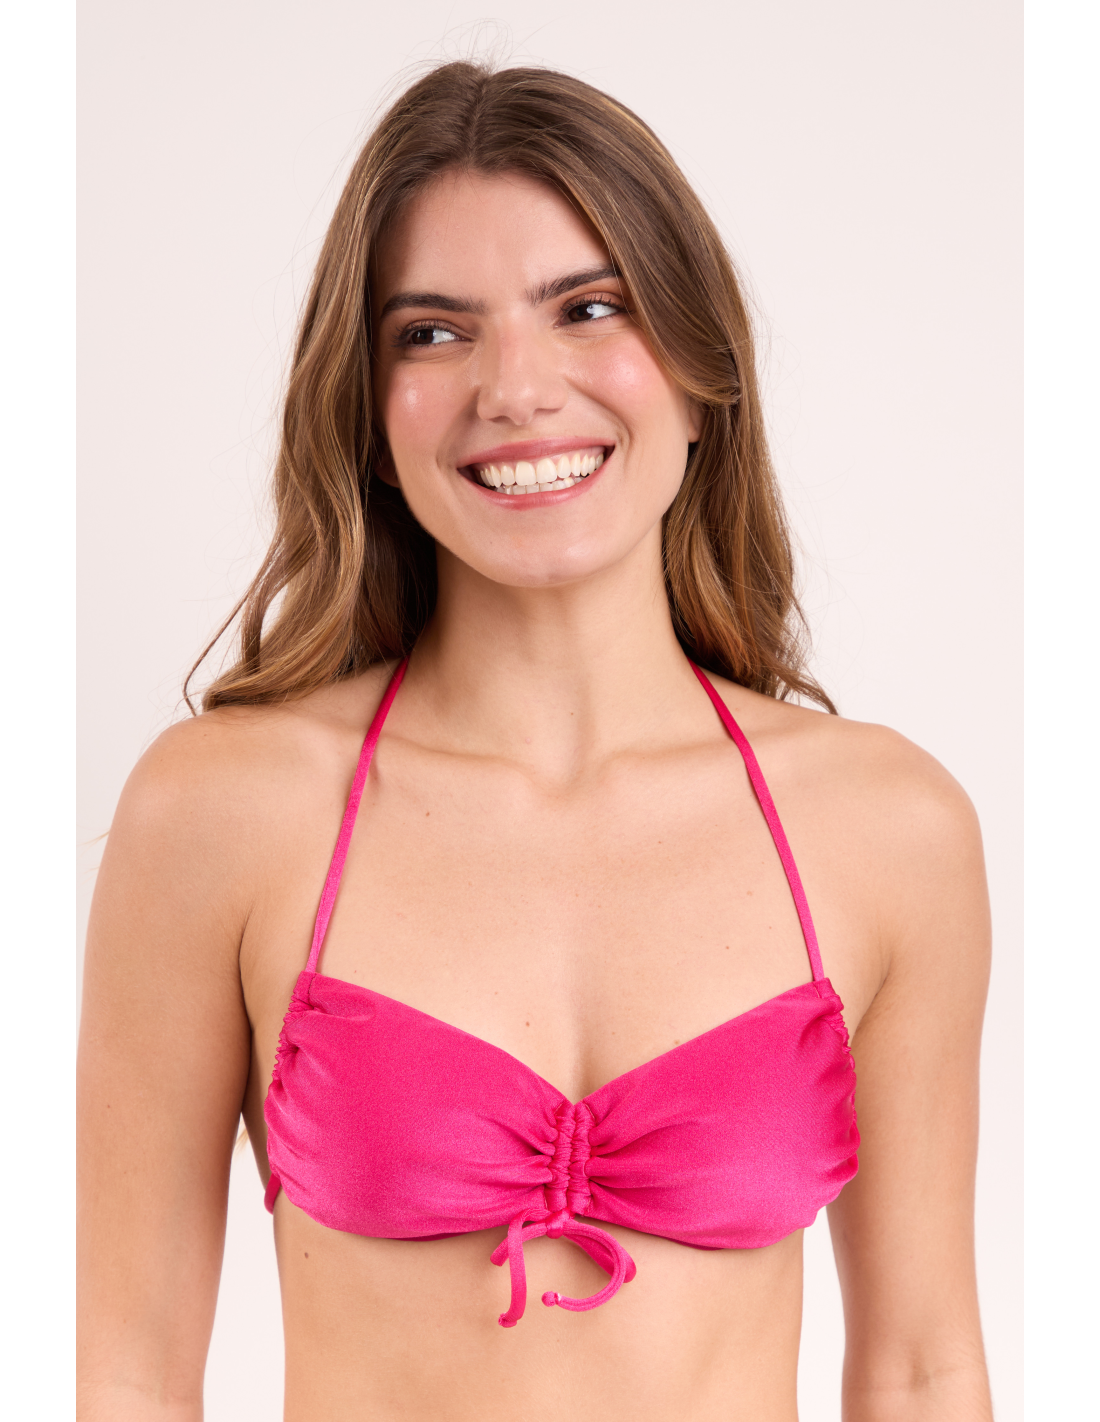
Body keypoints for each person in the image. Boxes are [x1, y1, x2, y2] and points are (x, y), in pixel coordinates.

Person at [77, 61, 994, 1422]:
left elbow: (920, 1368)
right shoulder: (221, 814)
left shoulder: (887, 829)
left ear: (699, 369)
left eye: (589, 307)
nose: (515, 386)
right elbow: (129, 1375)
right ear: (368, 411)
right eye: (433, 332)